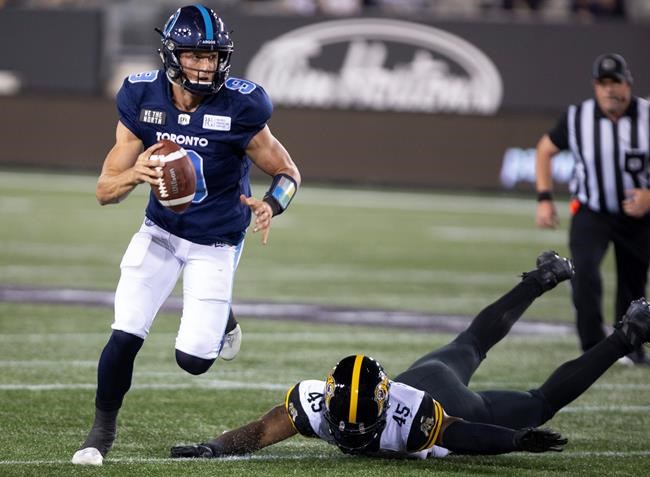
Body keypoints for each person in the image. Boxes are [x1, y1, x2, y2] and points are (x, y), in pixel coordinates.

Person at [72, 4, 301, 466]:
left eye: (213, 56)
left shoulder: (241, 105)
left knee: (194, 361)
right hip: (160, 232)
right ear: (172, 55)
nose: (205, 66)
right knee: (125, 333)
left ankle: (224, 317)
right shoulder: (142, 97)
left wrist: (272, 203)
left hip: (215, 242)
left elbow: (288, 172)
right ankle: (99, 433)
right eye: (195, 55)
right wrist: (135, 174)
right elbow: (104, 191)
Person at [170, 251, 650, 459]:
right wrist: (215, 447)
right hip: (426, 373)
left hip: (446, 400)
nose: (351, 437)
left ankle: (626, 336)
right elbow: (262, 430)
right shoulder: (314, 402)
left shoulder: (412, 416)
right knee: (470, 342)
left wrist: (516, 440)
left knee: (538, 403)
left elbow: (462, 434)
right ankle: (541, 278)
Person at [535, 52, 650, 365]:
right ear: (595, 86)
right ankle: (592, 348)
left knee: (632, 283)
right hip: (592, 210)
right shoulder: (578, 117)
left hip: (637, 217)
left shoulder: (647, 116)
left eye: (615, 82)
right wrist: (544, 198)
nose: (609, 89)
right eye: (603, 83)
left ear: (628, 83)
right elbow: (544, 149)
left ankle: (630, 347)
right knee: (583, 273)